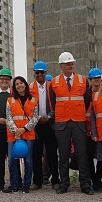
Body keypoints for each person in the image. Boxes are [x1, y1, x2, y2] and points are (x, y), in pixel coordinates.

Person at [49, 51, 93, 195]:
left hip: (78, 121)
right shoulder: (54, 82)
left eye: (72, 63)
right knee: (63, 155)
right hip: (61, 122)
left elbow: (87, 99)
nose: (71, 65)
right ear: (61, 66)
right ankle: (64, 184)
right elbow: (53, 103)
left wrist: (77, 110)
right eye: (68, 63)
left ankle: (85, 184)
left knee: (82, 154)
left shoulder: (83, 80)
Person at [4, 76, 39, 193]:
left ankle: (26, 185)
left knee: (28, 161)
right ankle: (14, 185)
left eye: (21, 83)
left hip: (28, 134)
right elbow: (8, 118)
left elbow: (35, 118)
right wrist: (16, 131)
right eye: (17, 84)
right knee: (11, 160)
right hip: (13, 135)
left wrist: (23, 129)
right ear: (14, 87)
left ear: (25, 84)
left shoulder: (34, 99)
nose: (19, 85)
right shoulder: (10, 100)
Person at [29, 61, 60, 191]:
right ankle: (38, 181)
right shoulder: (30, 88)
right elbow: (27, 107)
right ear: (34, 73)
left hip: (50, 123)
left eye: (42, 72)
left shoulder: (52, 87)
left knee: (52, 153)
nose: (40, 74)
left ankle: (55, 181)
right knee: (36, 154)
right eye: (37, 72)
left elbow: (58, 104)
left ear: (46, 73)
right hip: (35, 125)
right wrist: (37, 118)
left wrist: (49, 116)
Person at [86, 68, 102, 191]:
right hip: (87, 130)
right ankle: (93, 179)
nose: (97, 81)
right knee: (88, 156)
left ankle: (98, 179)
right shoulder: (86, 95)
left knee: (101, 156)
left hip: (101, 129)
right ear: (90, 80)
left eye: (99, 78)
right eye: (94, 79)